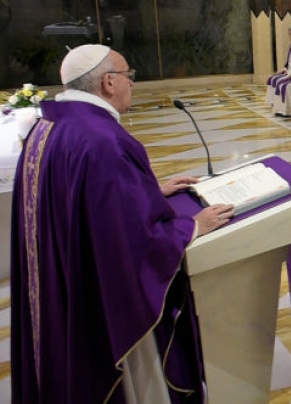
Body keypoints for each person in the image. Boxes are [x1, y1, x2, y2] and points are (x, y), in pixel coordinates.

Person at [11, 45, 233, 403]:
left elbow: (83, 201)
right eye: (129, 76)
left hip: (65, 284)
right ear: (109, 83)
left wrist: (146, 190)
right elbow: (136, 243)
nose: (132, 83)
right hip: (101, 303)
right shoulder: (104, 140)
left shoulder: (49, 125)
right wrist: (192, 226)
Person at [265, 26, 291, 96]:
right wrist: (284, 69)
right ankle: (274, 102)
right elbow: (288, 60)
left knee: (280, 82)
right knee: (272, 79)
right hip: (289, 71)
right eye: (290, 34)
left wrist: (290, 72)